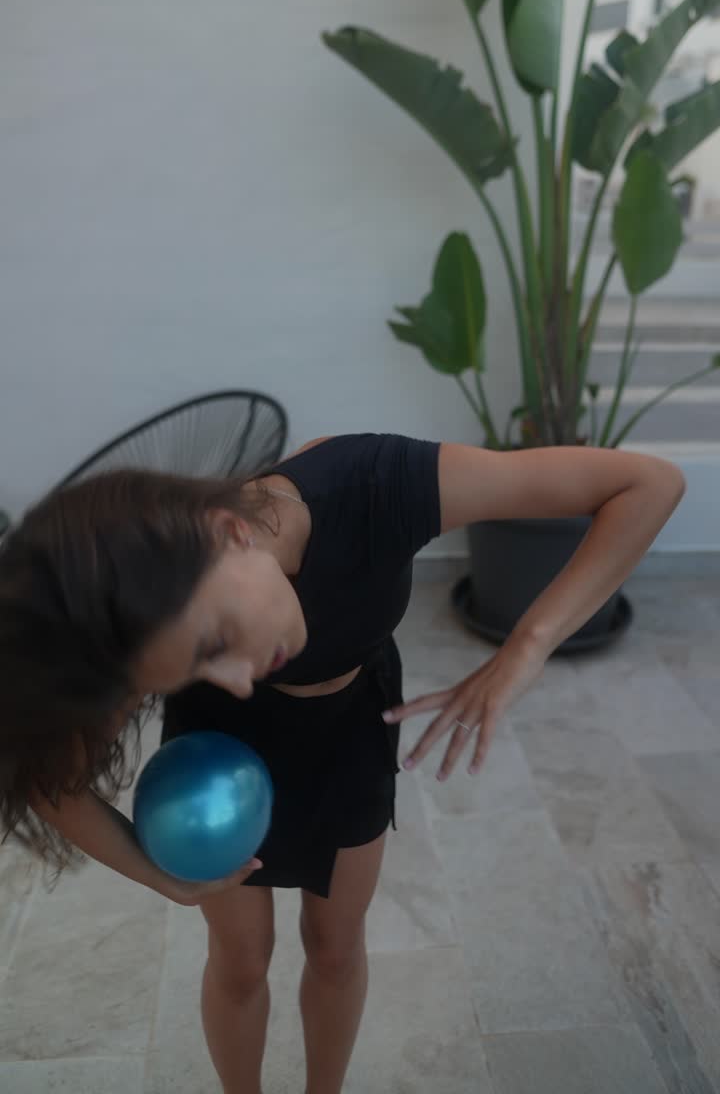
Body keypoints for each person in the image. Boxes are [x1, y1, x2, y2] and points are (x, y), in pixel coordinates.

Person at [0, 431, 685, 1094]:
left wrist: (526, 647)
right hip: (215, 760)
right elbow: (45, 779)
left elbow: (648, 484)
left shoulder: (375, 485)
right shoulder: (157, 630)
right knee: (239, 962)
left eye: (217, 640)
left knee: (335, 946)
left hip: (351, 728)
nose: (236, 677)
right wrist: (158, 877)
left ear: (232, 533)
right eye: (197, 664)